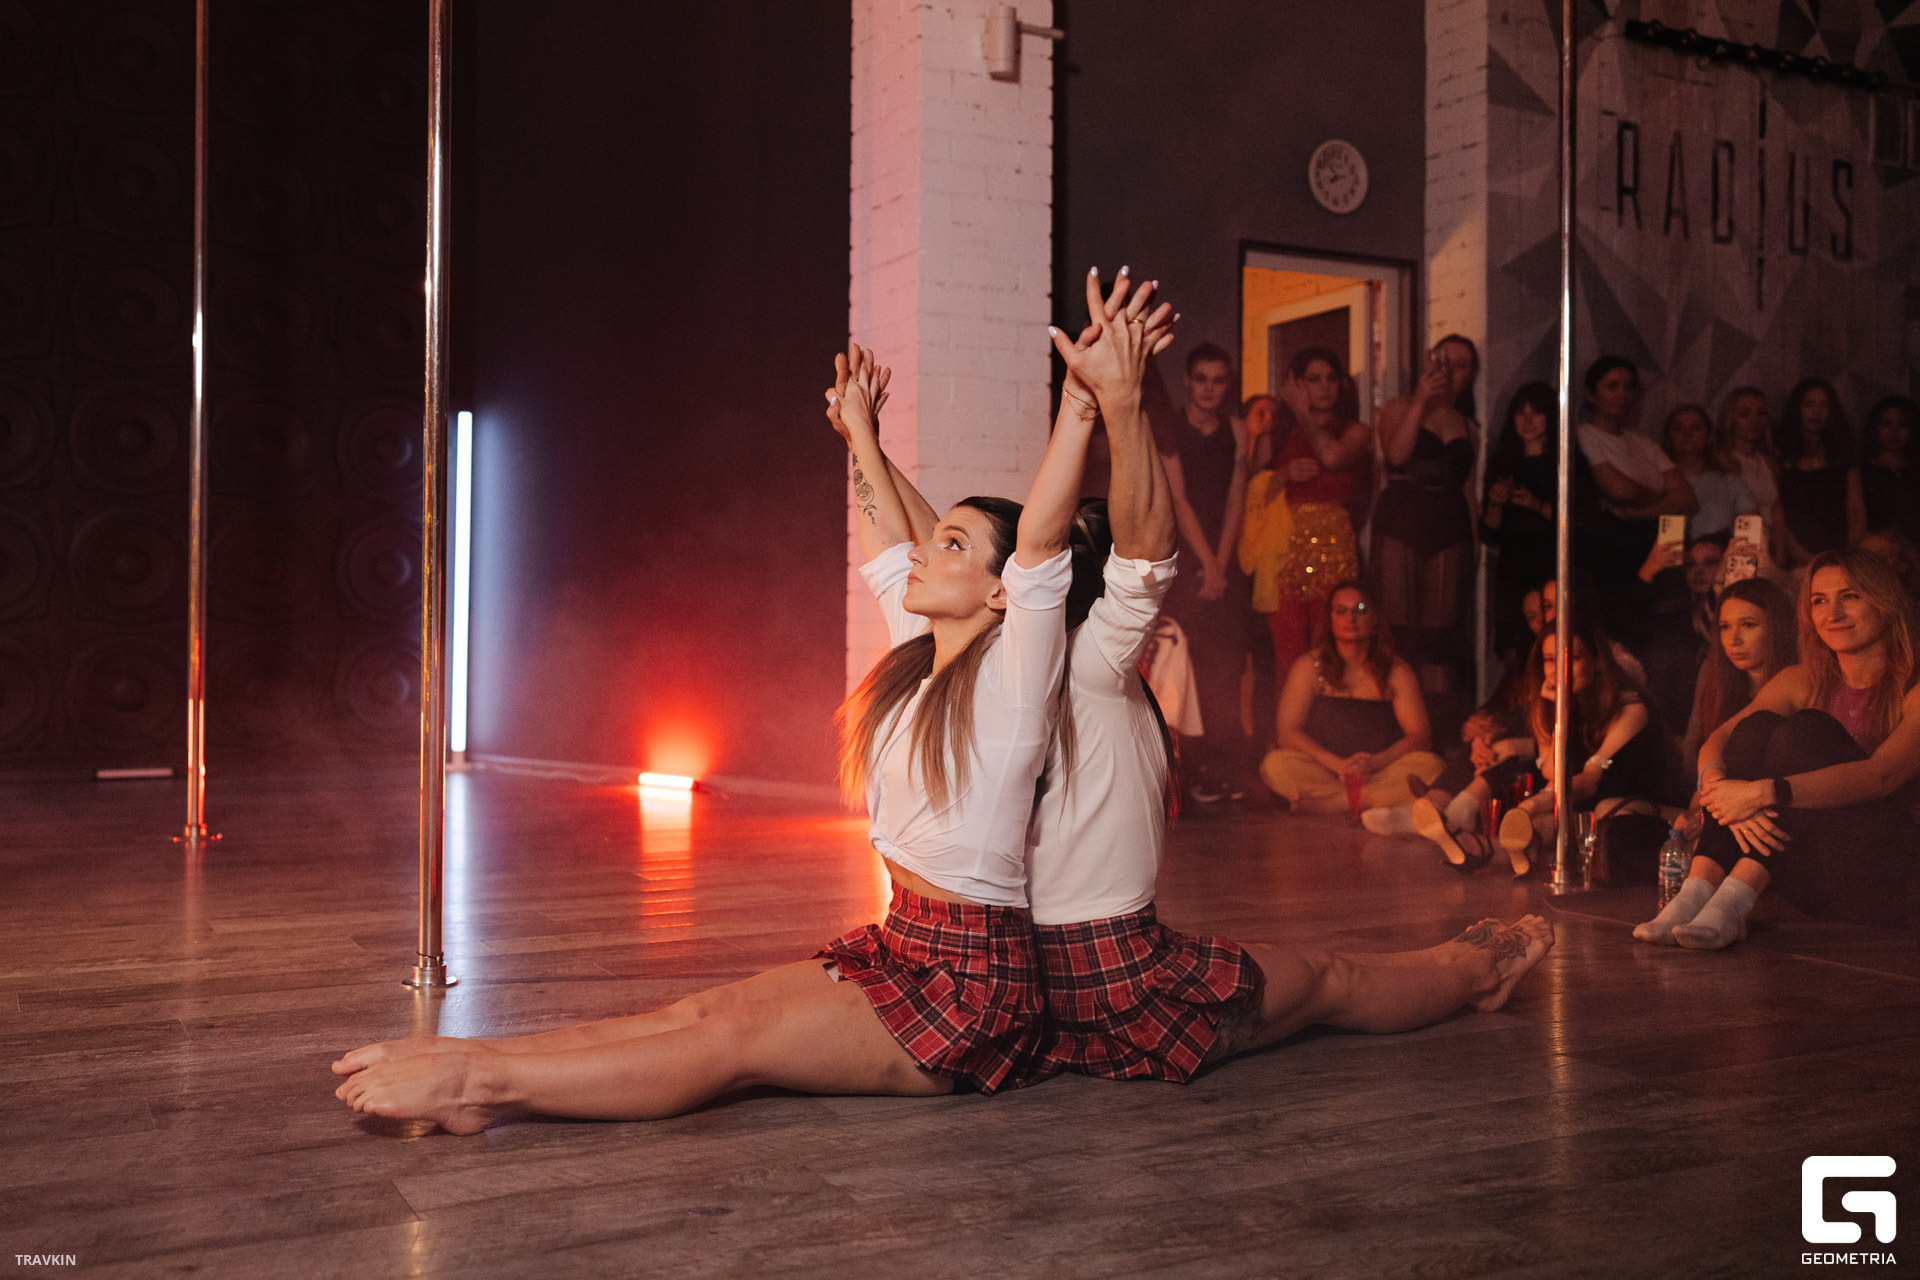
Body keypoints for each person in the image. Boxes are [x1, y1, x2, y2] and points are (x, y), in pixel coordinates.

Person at [327, 286, 1168, 1130]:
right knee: (704, 1010)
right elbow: (886, 529)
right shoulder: (919, 660)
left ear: (1001, 592)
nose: (922, 550)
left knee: (730, 1041)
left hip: (972, 989)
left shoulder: (1017, 679)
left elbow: (1040, 545)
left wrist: (1082, 402)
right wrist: (860, 434)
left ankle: (475, 1085)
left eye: (951, 545)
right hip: (903, 940)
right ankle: (478, 1060)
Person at [1017, 276, 1553, 1080]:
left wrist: (1093, 401)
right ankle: (1472, 964)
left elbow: (1023, 556)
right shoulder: (1073, 667)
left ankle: (1445, 907)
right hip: (1109, 980)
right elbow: (1090, 559)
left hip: (1028, 982)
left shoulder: (987, 678)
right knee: (1332, 979)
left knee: (1331, 971)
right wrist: (1109, 400)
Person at [1638, 548, 1920, 947]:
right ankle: (1697, 892)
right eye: (1819, 600)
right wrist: (1719, 789)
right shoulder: (1800, 679)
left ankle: (1733, 901)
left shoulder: (1913, 687)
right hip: (1808, 858)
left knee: (1805, 731)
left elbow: (1882, 775)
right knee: (1755, 728)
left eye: (1850, 596)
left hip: (1885, 869)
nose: (1833, 613)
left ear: (1885, 601)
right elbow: (1720, 739)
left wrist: (1763, 793)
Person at [1416, 607, 1680, 875]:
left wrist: (1530, 806)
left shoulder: (1630, 708)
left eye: (1573, 657)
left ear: (1597, 661)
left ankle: (1479, 845)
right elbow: (1552, 771)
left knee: (1553, 814)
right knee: (1540, 804)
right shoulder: (1558, 706)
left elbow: (1589, 780)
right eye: (1551, 660)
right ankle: (1479, 843)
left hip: (1638, 808)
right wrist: (1557, 713)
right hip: (1584, 803)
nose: (1560, 669)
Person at [1259, 581, 1444, 813]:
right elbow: (1287, 733)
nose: (1351, 618)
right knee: (1276, 765)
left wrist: (1373, 763)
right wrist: (1338, 765)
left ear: (1375, 619)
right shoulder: (1310, 666)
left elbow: (1420, 737)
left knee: (1431, 766)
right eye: (1341, 611)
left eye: (1360, 610)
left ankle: (1332, 804)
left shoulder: (1396, 670)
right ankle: (1369, 801)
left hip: (1380, 771)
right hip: (1326, 769)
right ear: (1330, 620)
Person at [1160, 341, 1253, 802]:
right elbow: (1178, 500)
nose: (1210, 389)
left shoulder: (1237, 430)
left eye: (1219, 380)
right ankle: (1189, 771)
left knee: (1227, 666)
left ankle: (1224, 767)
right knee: (1189, 665)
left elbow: (1237, 499)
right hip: (1186, 554)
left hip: (1225, 554)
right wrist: (1207, 563)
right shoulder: (1171, 430)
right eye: (1201, 379)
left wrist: (1222, 564)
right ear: (1187, 381)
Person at [1258, 347, 1372, 689]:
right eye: (1313, 379)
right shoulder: (1277, 434)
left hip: (1333, 552)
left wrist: (1301, 411)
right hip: (1284, 553)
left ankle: (1334, 717)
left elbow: (1331, 457)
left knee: (1335, 646)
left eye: (1330, 378)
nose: (1324, 386)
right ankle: (1288, 720)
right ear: (1296, 384)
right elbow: (1251, 493)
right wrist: (1283, 476)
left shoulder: (1355, 431)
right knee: (1288, 650)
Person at [1372, 335, 1479, 692]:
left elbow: (1468, 490)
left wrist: (1475, 547)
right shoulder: (1398, 407)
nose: (1450, 372)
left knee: (1440, 636)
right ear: (1429, 363)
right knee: (1399, 632)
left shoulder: (1469, 427)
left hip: (1450, 526)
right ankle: (1395, 713)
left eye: (1461, 366)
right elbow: (1396, 456)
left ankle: (1439, 718)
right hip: (1402, 520)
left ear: (1469, 376)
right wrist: (1420, 400)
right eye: (1443, 362)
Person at [1576, 356, 1697, 630]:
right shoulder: (1585, 437)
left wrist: (1637, 512)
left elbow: (1687, 498)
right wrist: (1664, 500)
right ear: (1591, 394)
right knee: (1626, 624)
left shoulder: (1644, 443)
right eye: (1612, 386)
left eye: (1628, 387)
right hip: (1615, 554)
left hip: (1658, 546)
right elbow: (1621, 491)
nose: (1622, 394)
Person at [1481, 382, 1571, 664]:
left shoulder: (1565, 464)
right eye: (1521, 413)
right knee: (1515, 653)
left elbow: (1580, 523)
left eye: (1536, 413)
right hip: (1513, 568)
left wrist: (1537, 505)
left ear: (1550, 416)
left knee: (1553, 646)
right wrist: (1496, 502)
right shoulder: (1503, 464)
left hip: (1551, 564)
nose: (1527, 421)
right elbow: (1490, 534)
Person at [1678, 577, 1797, 771]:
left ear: (1777, 626)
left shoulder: (1799, 678)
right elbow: (1692, 754)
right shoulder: (1711, 672)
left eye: (1748, 625)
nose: (1734, 640)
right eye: (1725, 627)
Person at [1776, 377, 1864, 564]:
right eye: (1809, 404)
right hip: (1795, 555)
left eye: (1824, 405)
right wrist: (1801, 555)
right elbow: (1777, 511)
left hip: (1840, 552)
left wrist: (1851, 552)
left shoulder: (1842, 453)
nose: (1816, 412)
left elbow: (1855, 508)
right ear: (1797, 408)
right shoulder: (1780, 454)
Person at [1662, 402, 1755, 540]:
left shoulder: (1730, 482)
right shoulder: (1656, 482)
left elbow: (1751, 531)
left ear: (1709, 437)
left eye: (1696, 428)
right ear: (1669, 437)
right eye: (1678, 429)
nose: (1687, 434)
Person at [1717, 386, 1781, 559]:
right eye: (1744, 414)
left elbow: (1778, 513)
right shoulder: (1723, 460)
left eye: (1761, 413)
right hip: (1739, 548)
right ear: (1730, 419)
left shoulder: (1769, 462)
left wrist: (1779, 556)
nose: (1754, 421)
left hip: (1769, 546)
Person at [1858, 394, 1920, 545]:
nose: (1894, 431)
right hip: (1875, 550)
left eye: (1902, 425)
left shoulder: (1915, 472)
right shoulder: (1861, 472)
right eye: (1886, 424)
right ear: (1875, 428)